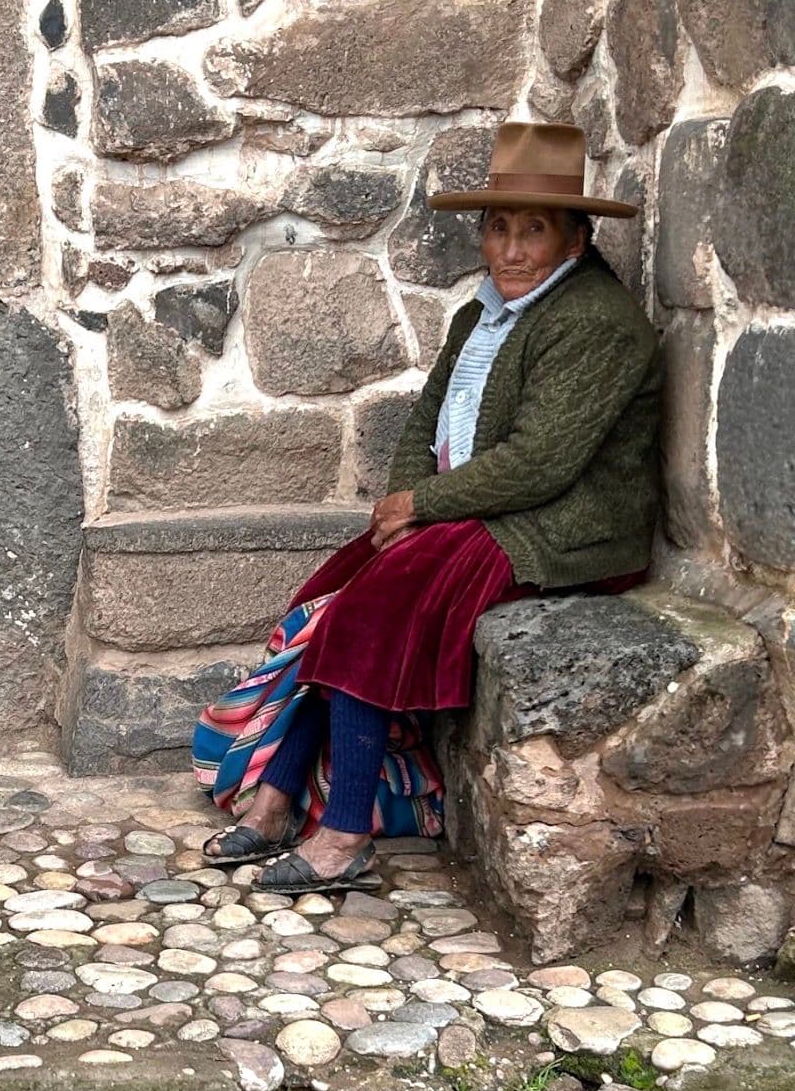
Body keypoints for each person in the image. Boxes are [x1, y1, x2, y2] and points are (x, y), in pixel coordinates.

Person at [194, 122, 662, 895]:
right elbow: (428, 420)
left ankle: (343, 834)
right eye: (498, 227)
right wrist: (405, 505)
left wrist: (426, 503)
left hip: (563, 527)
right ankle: (279, 798)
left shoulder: (596, 324)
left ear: (576, 240)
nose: (511, 249)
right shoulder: (479, 317)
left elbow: (542, 463)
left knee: (375, 609)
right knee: (340, 593)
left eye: (534, 230)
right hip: (483, 510)